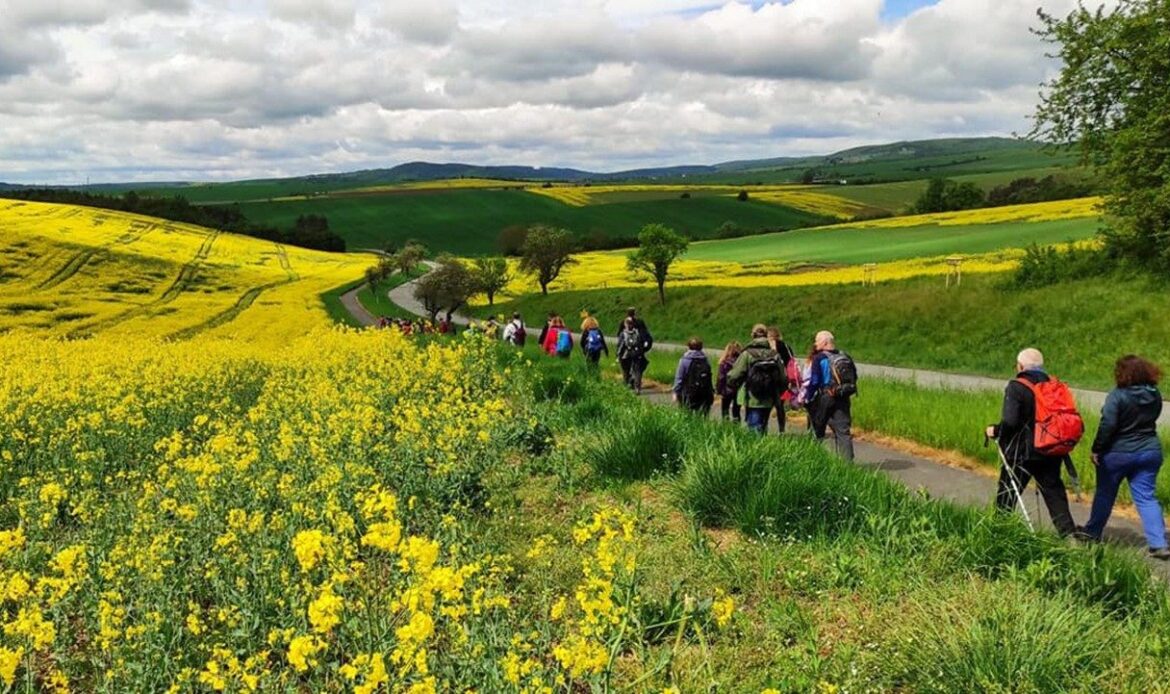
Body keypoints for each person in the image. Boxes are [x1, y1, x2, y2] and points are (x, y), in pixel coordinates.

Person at [1079, 355, 1169, 558]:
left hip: (1118, 453)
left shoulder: (1117, 395)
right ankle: (1159, 543)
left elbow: (1108, 425)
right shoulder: (1154, 394)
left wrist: (1097, 449)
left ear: (1122, 373)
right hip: (1149, 450)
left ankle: (1092, 533)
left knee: (1105, 494)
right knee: (1146, 497)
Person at [984, 348, 1077, 536]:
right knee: (1054, 494)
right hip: (1051, 449)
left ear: (1020, 366)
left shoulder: (1016, 386)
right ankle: (1068, 535)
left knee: (1008, 492)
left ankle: (998, 532)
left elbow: (1010, 421)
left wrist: (995, 430)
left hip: (1021, 452)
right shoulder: (1053, 385)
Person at [803, 331, 857, 460]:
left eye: (817, 341)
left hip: (825, 398)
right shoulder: (845, 356)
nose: (815, 344)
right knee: (843, 432)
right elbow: (854, 377)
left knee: (817, 430)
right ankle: (847, 467)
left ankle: (812, 460)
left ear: (825, 342)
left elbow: (815, 381)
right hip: (843, 398)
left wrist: (807, 397)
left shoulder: (820, 358)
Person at [726, 324, 782, 435]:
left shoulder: (747, 354)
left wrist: (732, 385)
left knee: (754, 429)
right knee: (763, 427)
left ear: (753, 335)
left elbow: (735, 375)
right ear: (766, 336)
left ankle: (756, 450)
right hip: (769, 397)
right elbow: (782, 377)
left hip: (752, 397)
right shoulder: (774, 355)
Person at [672, 337, 714, 415]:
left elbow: (679, 378)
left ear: (688, 346)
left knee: (686, 414)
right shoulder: (705, 360)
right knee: (701, 416)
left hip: (688, 393)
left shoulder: (684, 360)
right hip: (703, 394)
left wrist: (676, 392)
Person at [767, 327, 796, 433]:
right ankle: (781, 429)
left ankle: (763, 427)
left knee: (767, 404)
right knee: (780, 405)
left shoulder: (766, 346)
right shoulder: (785, 346)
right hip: (783, 379)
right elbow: (791, 361)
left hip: (769, 380)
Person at [616, 316, 649, 394]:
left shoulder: (623, 333)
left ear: (625, 324)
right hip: (636, 353)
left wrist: (618, 355)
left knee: (625, 371)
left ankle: (626, 386)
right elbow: (640, 343)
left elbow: (620, 345)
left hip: (626, 355)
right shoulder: (637, 333)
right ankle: (637, 388)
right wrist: (641, 353)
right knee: (637, 371)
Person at [716, 341, 744, 423]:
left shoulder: (724, 363)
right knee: (736, 411)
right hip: (738, 390)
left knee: (725, 409)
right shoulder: (742, 363)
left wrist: (718, 390)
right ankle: (736, 426)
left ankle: (725, 427)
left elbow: (721, 377)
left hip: (726, 389)